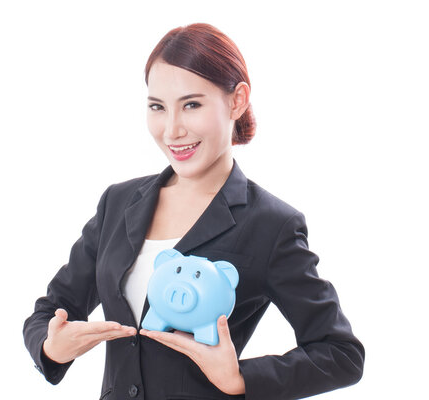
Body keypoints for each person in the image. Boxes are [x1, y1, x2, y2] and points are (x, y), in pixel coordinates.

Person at [23, 22, 364, 400]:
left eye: (191, 105)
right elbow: (50, 311)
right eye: (157, 107)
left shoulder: (271, 224)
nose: (172, 130)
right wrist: (52, 347)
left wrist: (239, 378)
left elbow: (341, 354)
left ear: (237, 101)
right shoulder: (117, 202)